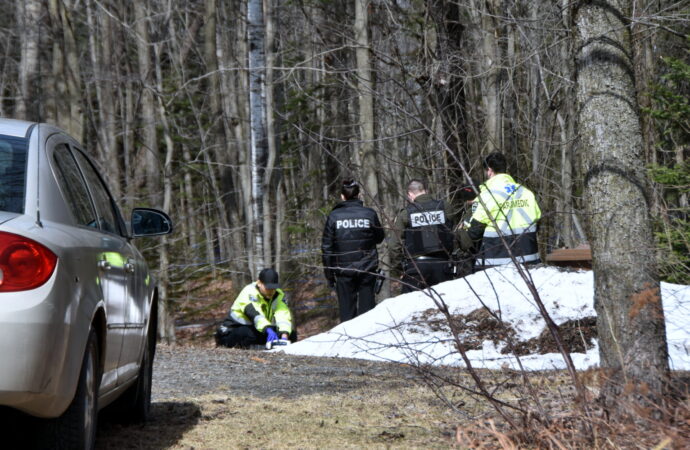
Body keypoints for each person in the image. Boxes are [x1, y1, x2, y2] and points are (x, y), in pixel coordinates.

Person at [458, 152, 541, 269]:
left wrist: (461, 233)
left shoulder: (487, 196)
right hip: (530, 261)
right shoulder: (526, 192)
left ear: (490, 170)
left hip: (497, 264)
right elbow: (537, 224)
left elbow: (474, 233)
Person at [322, 179, 385, 322]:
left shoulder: (334, 217)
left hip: (343, 270)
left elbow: (326, 248)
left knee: (347, 315)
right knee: (368, 314)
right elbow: (380, 238)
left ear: (342, 196)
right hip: (367, 269)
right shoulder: (369, 214)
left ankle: (350, 342)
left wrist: (329, 275)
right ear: (359, 195)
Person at [393, 179, 455, 293]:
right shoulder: (444, 207)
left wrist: (400, 269)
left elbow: (394, 244)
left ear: (410, 194)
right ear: (426, 191)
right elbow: (452, 233)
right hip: (443, 266)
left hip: (416, 268)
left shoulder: (406, 213)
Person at [215, 268, 296, 348]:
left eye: (273, 288)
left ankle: (272, 348)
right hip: (231, 331)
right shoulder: (249, 292)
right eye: (268, 288)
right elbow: (255, 315)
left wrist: (284, 334)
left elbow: (283, 314)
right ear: (259, 283)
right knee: (248, 334)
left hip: (257, 328)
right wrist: (268, 329)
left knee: (291, 334)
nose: (271, 291)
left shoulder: (278, 295)